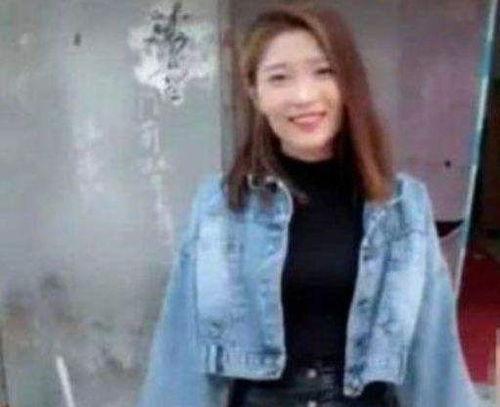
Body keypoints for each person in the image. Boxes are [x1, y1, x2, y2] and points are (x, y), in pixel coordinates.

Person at [138, 3, 479, 407]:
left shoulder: (403, 207)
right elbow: (181, 356)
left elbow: (435, 356)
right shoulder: (220, 207)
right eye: (279, 78)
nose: (303, 96)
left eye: (323, 72)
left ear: (349, 82)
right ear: (256, 94)